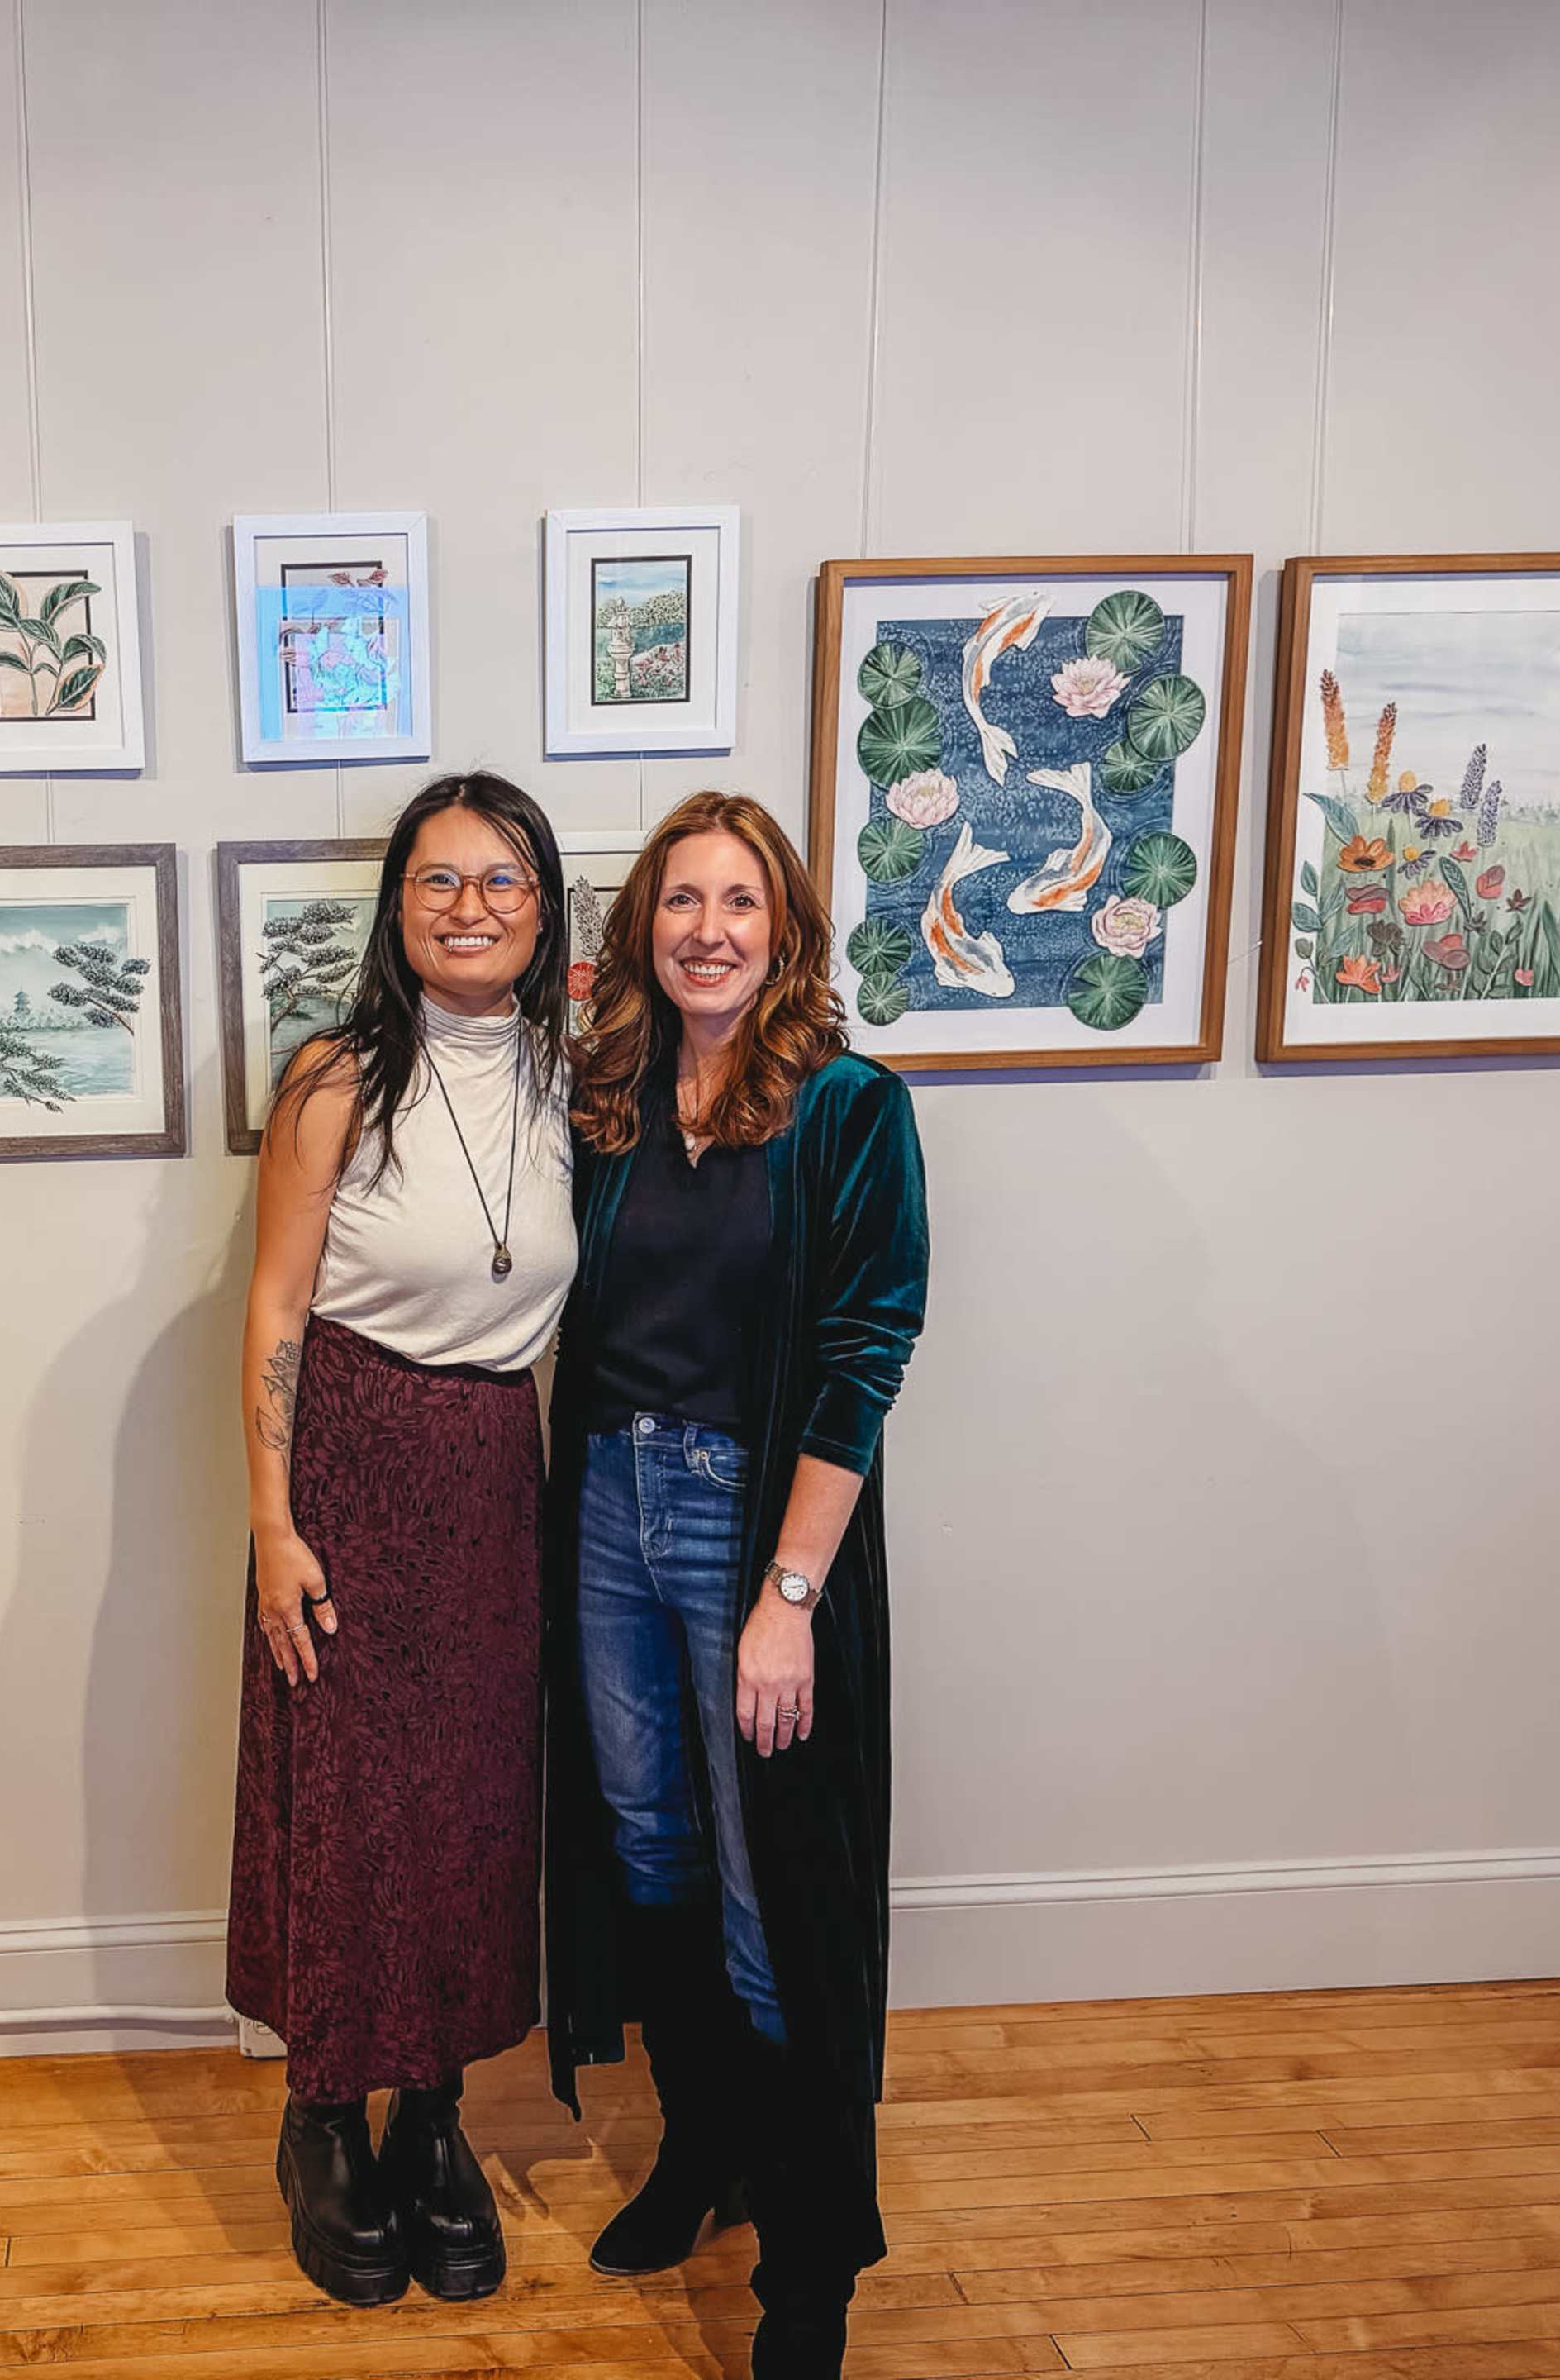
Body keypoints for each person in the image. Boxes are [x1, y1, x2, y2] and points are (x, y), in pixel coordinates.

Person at [543, 790, 930, 2379]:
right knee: (648, 1843)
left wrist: (790, 1595)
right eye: (681, 900)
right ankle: (702, 2152)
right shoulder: (608, 1098)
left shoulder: (847, 1107)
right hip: (605, 1504)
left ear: (786, 930)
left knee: (776, 1879)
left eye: (740, 902)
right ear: (643, 926)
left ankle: (810, 2262)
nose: (709, 928)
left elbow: (865, 1348)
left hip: (743, 1522)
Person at [226, 771, 577, 2308]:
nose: (471, 908)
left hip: (500, 1466)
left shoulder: (584, 1076)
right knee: (357, 1805)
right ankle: (321, 2121)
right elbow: (276, 1309)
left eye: (502, 880)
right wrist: (271, 1520)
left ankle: (433, 2116)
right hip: (356, 1464)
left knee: (475, 1804)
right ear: (397, 906)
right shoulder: (335, 1078)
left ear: (546, 906)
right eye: (439, 881)